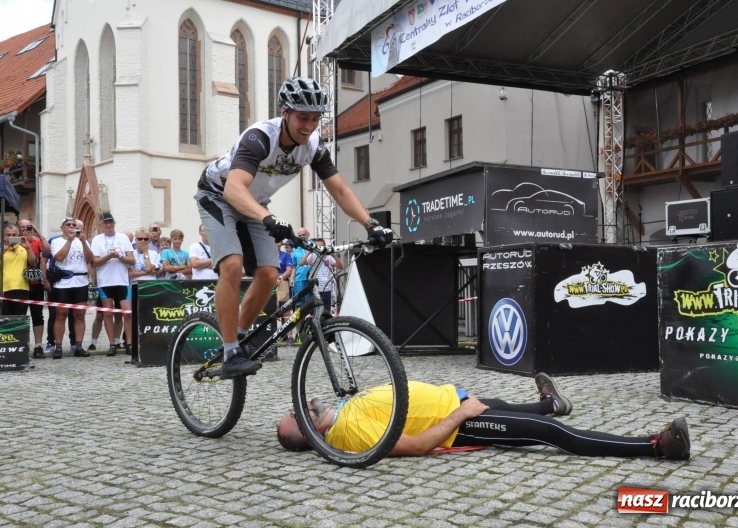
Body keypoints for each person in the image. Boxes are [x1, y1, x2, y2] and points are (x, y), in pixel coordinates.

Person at [195, 76, 393, 379]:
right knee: (233, 265)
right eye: (302, 117)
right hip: (218, 194)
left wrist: (371, 224)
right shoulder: (260, 138)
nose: (308, 126)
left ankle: (238, 339)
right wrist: (268, 218)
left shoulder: (312, 146)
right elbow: (234, 189)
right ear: (284, 112)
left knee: (269, 274)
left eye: (315, 119)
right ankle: (230, 349)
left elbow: (339, 190)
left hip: (255, 203)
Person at [276, 373, 691, 461]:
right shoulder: (347, 434)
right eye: (296, 417)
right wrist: (461, 413)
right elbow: (418, 445)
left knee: (507, 405)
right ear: (310, 434)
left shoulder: (342, 406)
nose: (299, 406)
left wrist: (458, 397)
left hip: (455, 403)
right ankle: (655, 447)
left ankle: (550, 401)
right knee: (549, 433)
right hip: (461, 424)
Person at [90, 212, 135, 357]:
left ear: (114, 223)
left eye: (111, 223)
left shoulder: (123, 238)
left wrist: (120, 256)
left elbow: (132, 260)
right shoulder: (97, 240)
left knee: (127, 313)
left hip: (122, 281)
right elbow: (94, 262)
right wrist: (109, 255)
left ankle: (129, 343)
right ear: (101, 225)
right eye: (106, 223)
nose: (108, 225)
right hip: (105, 282)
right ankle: (112, 344)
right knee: (108, 313)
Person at [50, 217, 94, 358]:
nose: (71, 227)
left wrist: (83, 241)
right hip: (63, 282)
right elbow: (59, 258)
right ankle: (58, 347)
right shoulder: (56, 241)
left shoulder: (82, 241)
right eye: (68, 225)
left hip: (81, 281)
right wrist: (69, 240)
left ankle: (79, 346)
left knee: (79, 315)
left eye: (73, 225)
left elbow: (90, 258)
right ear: (62, 227)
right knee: (61, 314)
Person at [0, 223, 37, 317]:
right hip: (2, 290)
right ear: (3, 236)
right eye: (8, 235)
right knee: (4, 323)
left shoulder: (24, 248)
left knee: (19, 322)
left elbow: (33, 263)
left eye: (14, 235)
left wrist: (28, 248)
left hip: (22, 289)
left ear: (18, 235)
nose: (11, 237)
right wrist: (3, 250)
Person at [17, 219, 51, 358]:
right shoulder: (16, 241)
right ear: (18, 229)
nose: (26, 229)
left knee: (37, 315)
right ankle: (20, 346)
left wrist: (38, 233)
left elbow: (48, 252)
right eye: (23, 227)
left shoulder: (36, 241)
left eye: (28, 227)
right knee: (21, 315)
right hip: (20, 283)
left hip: (35, 282)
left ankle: (38, 346)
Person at [301, 237, 343, 313]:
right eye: (317, 246)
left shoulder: (329, 256)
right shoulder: (312, 256)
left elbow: (340, 266)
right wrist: (309, 252)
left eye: (321, 246)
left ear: (324, 247)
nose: (319, 248)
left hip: (327, 288)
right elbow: (301, 263)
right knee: (315, 310)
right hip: (315, 288)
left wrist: (334, 256)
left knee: (326, 310)